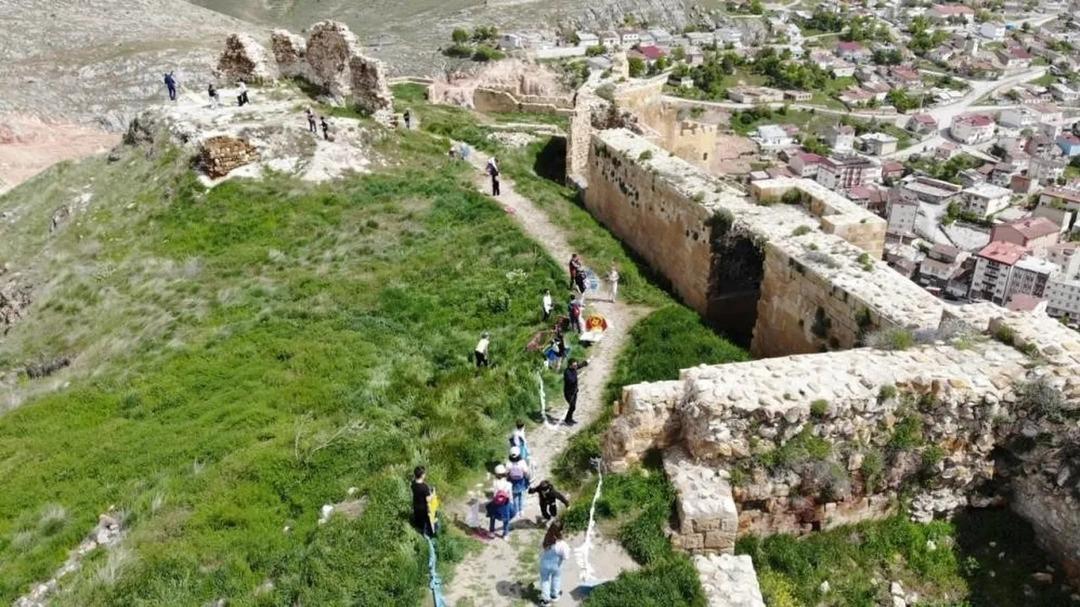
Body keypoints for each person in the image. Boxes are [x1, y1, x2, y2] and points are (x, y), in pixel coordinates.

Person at [538, 521, 571, 605]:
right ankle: (554, 595)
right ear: (561, 532)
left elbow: (540, 552)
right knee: (556, 579)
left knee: (545, 581)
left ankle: (546, 600)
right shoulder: (563, 545)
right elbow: (566, 557)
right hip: (556, 566)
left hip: (544, 565)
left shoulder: (546, 540)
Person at [486, 464, 515, 538]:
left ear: (496, 474)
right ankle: (505, 534)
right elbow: (510, 496)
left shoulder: (494, 483)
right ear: (504, 474)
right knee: (506, 519)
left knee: (492, 516)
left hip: (496, 503)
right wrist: (511, 503)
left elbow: (493, 495)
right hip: (505, 504)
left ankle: (492, 532)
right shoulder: (509, 484)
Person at [411, 466, 437, 536]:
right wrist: (433, 494)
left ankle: (417, 529)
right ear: (422, 475)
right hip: (423, 509)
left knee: (418, 520)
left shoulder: (413, 483)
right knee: (426, 523)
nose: (425, 475)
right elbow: (428, 499)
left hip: (416, 505)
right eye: (424, 473)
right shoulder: (424, 487)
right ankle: (426, 533)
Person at [562, 359, 588, 425]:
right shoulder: (567, 372)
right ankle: (567, 420)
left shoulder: (574, 368)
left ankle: (569, 419)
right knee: (572, 406)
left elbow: (579, 366)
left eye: (576, 365)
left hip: (574, 391)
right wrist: (579, 374)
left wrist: (584, 363)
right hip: (568, 393)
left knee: (573, 407)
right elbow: (571, 380)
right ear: (570, 365)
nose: (576, 366)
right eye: (574, 365)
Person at [507, 447, 530, 516]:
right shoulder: (522, 462)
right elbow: (526, 471)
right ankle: (521, 510)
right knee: (521, 496)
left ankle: (516, 511)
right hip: (521, 481)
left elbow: (506, 472)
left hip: (513, 482)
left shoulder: (509, 463)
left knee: (515, 496)